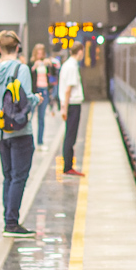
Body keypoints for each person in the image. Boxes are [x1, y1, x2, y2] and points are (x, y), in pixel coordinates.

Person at [0, 30, 40, 237]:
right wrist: (36, 99)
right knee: (19, 176)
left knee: (8, 176)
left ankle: (8, 218)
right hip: (20, 131)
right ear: (17, 47)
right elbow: (25, 101)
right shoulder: (21, 68)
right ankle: (12, 223)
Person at [58, 42, 85, 176]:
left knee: (70, 135)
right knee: (70, 136)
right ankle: (68, 166)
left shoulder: (68, 65)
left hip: (70, 104)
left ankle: (68, 165)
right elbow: (68, 90)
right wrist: (65, 108)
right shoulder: (72, 67)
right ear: (80, 51)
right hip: (73, 105)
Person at [30, 44, 50, 146]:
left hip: (44, 89)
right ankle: (29, 140)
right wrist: (34, 67)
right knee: (31, 115)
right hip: (35, 90)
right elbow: (29, 75)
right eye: (38, 53)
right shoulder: (32, 63)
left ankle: (40, 141)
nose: (39, 54)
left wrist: (49, 65)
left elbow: (53, 75)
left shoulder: (46, 63)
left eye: (41, 53)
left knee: (41, 117)